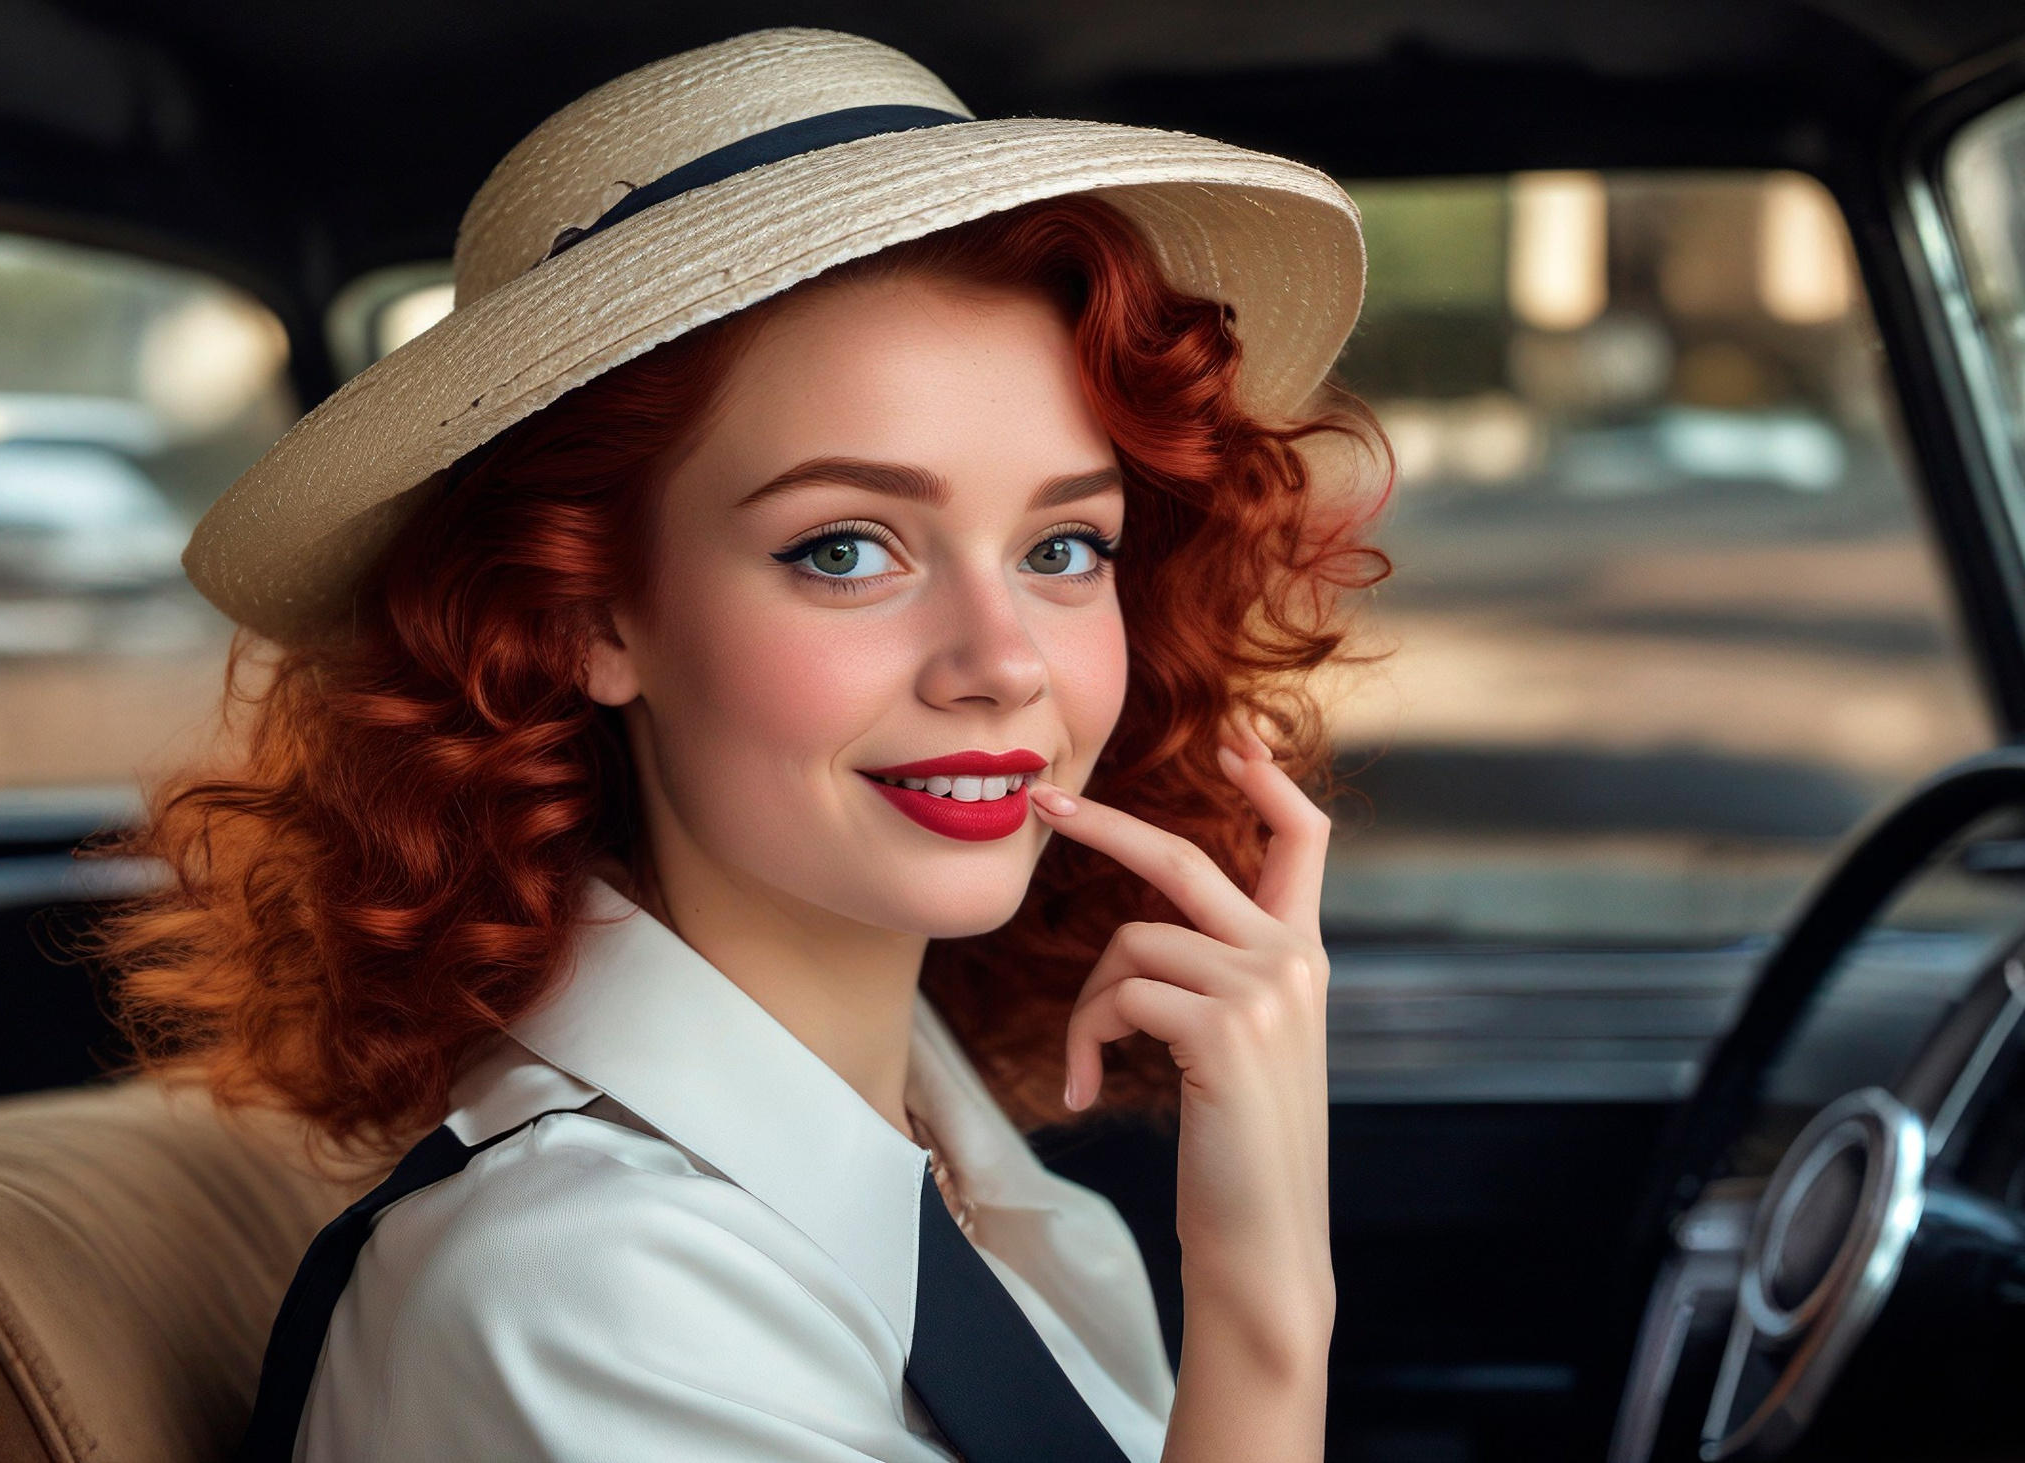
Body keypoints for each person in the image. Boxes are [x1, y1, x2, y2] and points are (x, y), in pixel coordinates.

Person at [103, 26, 1386, 1462]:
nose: (1003, 662)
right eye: (844, 547)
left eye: (1065, 546)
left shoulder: (985, 1192)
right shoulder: (590, 1295)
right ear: (588, 617)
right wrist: (1272, 1317)